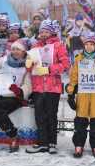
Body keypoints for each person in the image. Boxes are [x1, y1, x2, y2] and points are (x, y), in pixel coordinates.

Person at [66, 35, 95, 159]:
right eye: (87, 44)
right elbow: (73, 77)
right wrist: (71, 94)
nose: (89, 47)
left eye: (92, 44)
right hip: (83, 94)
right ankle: (78, 145)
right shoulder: (79, 59)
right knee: (80, 121)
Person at [25, 19, 69, 154]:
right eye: (41, 31)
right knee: (39, 116)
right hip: (38, 87)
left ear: (52, 32)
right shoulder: (34, 47)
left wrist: (49, 69)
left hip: (53, 87)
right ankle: (42, 142)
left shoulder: (58, 46)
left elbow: (66, 65)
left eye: (46, 31)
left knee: (51, 115)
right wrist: (28, 64)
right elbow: (30, 68)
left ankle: (52, 143)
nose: (43, 34)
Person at [0, 40, 31, 152]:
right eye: (13, 49)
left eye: (18, 49)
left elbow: (28, 85)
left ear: (24, 51)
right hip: (2, 92)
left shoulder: (28, 64)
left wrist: (20, 91)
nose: (15, 52)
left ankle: (13, 136)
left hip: (15, 96)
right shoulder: (6, 59)